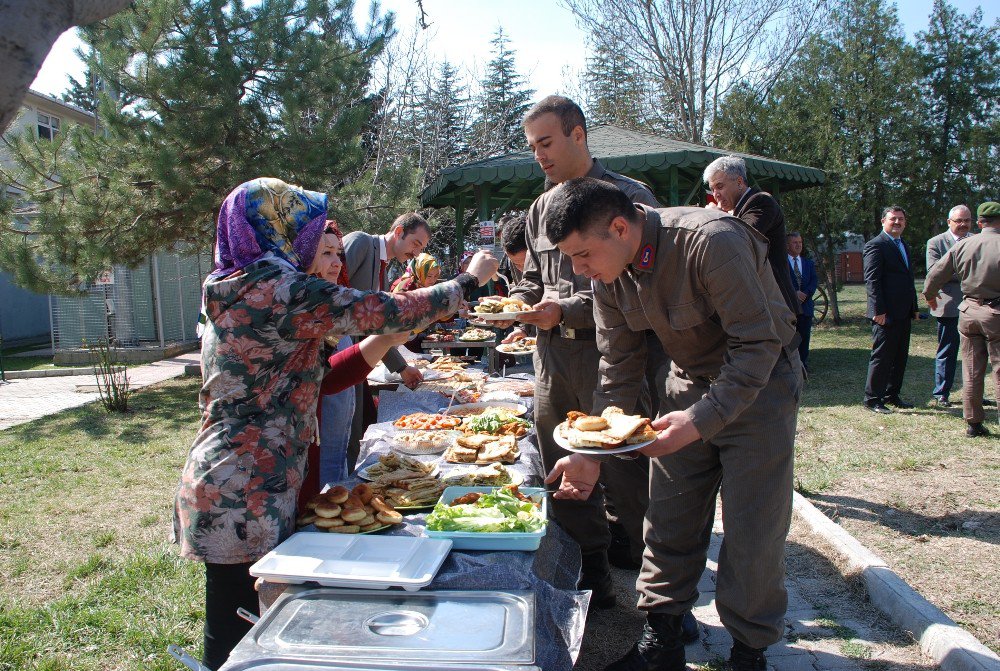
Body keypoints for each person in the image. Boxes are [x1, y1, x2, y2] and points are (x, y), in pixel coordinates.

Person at [173, 177, 498, 670]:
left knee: (263, 620)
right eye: (298, 227)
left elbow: (317, 378)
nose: (308, 243)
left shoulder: (246, 285)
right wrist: (466, 282)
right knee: (237, 631)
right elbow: (379, 308)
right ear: (272, 226)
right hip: (242, 488)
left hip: (252, 478)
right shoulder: (272, 287)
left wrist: (386, 340)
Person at [542, 178, 802, 671]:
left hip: (760, 390)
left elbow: (758, 347)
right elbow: (616, 366)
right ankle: (662, 643)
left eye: (581, 256)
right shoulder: (607, 274)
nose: (578, 271)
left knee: (753, 529)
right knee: (667, 517)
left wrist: (702, 420)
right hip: (685, 386)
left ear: (620, 227)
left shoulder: (712, 241)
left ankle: (748, 653)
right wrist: (592, 450)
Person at [502, 95, 659, 608]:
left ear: (578, 133)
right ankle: (590, 577)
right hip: (552, 362)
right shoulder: (539, 208)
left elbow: (641, 286)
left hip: (612, 358)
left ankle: (648, 580)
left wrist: (563, 310)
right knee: (563, 471)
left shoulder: (628, 199)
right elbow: (531, 280)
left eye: (546, 143)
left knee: (625, 472)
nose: (539, 156)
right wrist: (517, 305)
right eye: (532, 147)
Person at [342, 213, 432, 470]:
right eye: (415, 243)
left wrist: (402, 368)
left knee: (358, 427)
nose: (416, 253)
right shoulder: (360, 243)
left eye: (422, 248)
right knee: (345, 433)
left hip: (356, 360)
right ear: (398, 231)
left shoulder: (382, 265)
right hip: (339, 357)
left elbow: (375, 327)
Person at [923, 202, 1000, 437]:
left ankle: (973, 423)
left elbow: (934, 275)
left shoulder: (964, 244)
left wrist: (930, 297)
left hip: (967, 312)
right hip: (996, 313)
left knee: (972, 369)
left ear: (978, 223)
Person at [704, 155, 798, 315]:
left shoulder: (761, 202)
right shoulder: (739, 209)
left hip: (776, 307)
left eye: (720, 186)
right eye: (712, 189)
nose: (715, 194)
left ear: (739, 182)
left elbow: (740, 239)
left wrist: (716, 218)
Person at [863, 205, 919, 414]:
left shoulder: (903, 244)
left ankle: (891, 394)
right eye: (893, 219)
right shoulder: (876, 245)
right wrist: (878, 311)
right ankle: (872, 399)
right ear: (883, 221)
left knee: (900, 356)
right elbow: (872, 280)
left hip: (903, 312)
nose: (897, 222)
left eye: (901, 219)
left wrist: (913, 308)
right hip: (885, 313)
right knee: (882, 357)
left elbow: (908, 279)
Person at [925, 205, 972, 407]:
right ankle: (942, 393)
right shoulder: (936, 242)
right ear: (949, 222)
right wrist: (970, 274)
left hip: (975, 306)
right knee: (947, 350)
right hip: (948, 306)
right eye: (958, 221)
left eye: (967, 220)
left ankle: (973, 393)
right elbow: (934, 272)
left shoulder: (976, 241)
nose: (963, 224)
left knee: (975, 353)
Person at [786, 232, 817, 369]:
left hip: (806, 307)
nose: (798, 245)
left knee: (804, 337)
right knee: (792, 338)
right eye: (795, 242)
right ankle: (791, 365)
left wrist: (805, 293)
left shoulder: (808, 263)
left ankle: (803, 365)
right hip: (789, 309)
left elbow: (814, 281)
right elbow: (780, 282)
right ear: (787, 245)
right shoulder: (781, 264)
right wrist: (794, 293)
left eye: (800, 242)